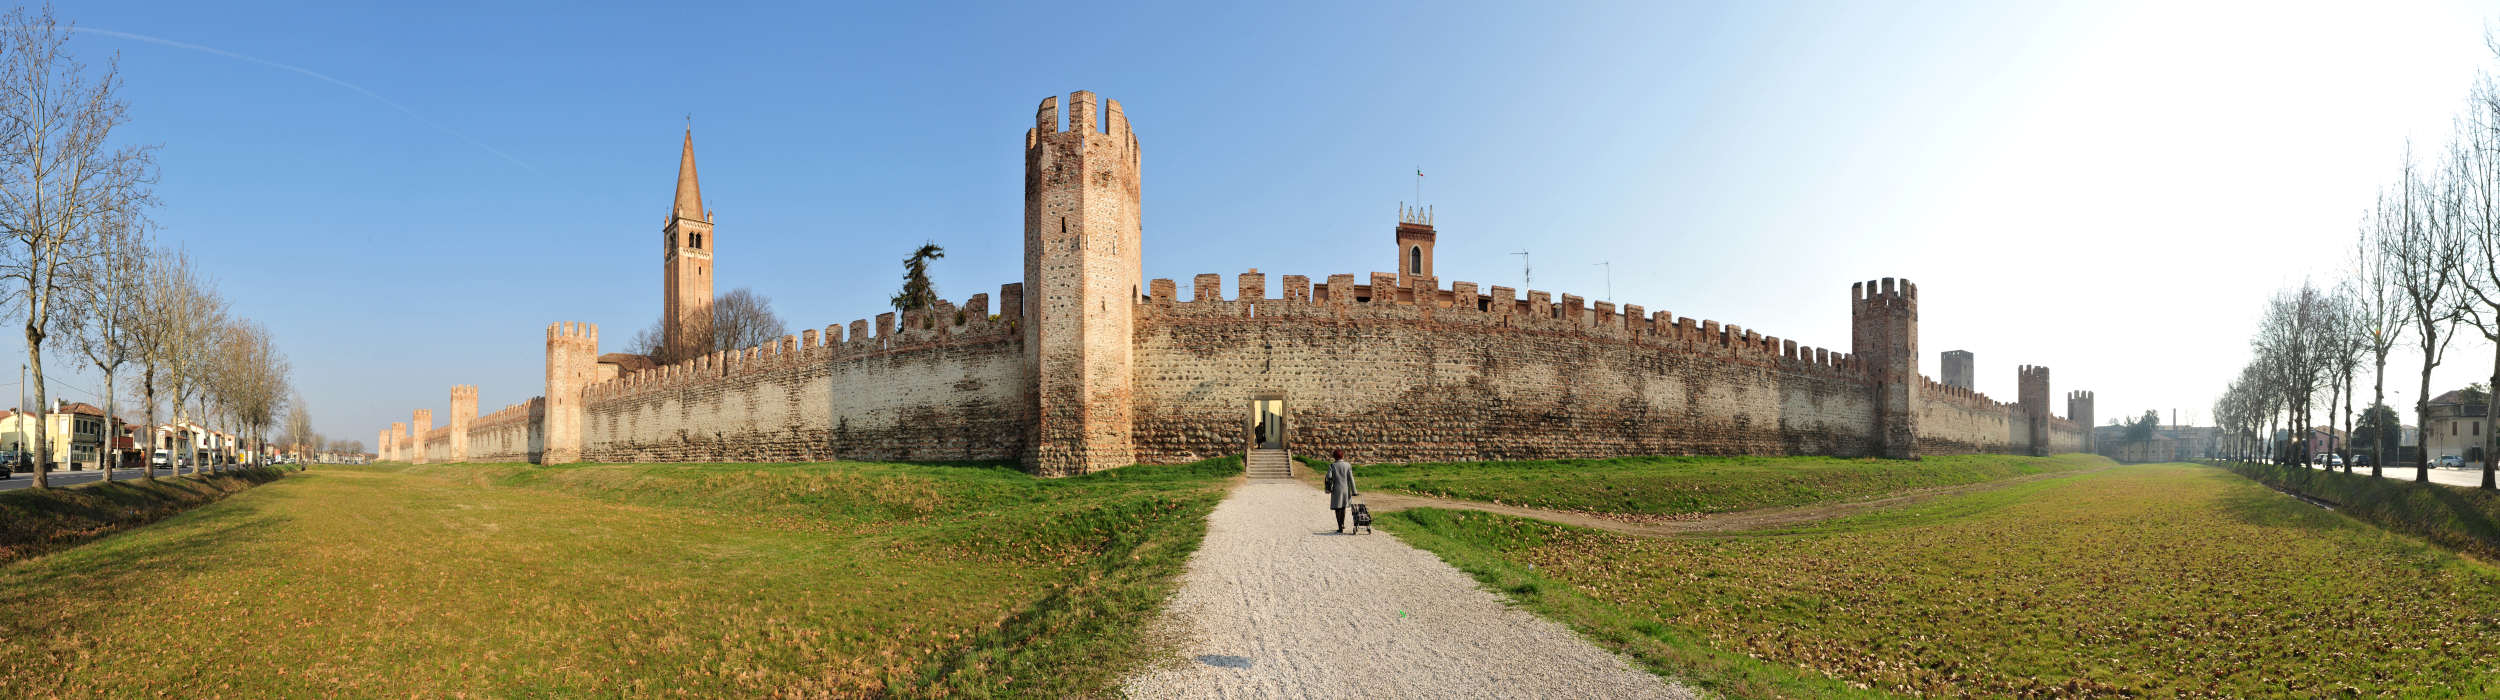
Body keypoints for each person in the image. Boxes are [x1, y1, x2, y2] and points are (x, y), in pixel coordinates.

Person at [1326, 449, 1356, 533]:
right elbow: (1351, 478)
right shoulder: (1348, 465)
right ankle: (1342, 523)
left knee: (1337, 508)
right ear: (1342, 456)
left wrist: (1328, 488)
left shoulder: (1332, 466)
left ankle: (1340, 527)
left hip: (1336, 489)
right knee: (1343, 507)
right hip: (1346, 489)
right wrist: (1354, 491)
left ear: (1334, 457)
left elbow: (1329, 477)